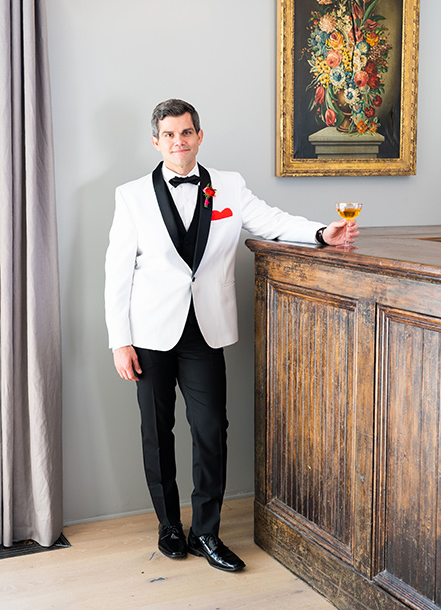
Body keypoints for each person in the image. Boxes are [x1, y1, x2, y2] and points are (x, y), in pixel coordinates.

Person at [104, 98, 359, 573]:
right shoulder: (131, 195)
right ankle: (169, 527)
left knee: (211, 433)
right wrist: (120, 339)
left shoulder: (230, 187)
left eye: (186, 133)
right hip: (150, 335)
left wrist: (323, 233)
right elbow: (117, 273)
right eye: (169, 135)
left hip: (205, 332)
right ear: (155, 141)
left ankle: (207, 532)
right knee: (157, 434)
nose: (178, 142)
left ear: (200, 135)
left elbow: (276, 221)